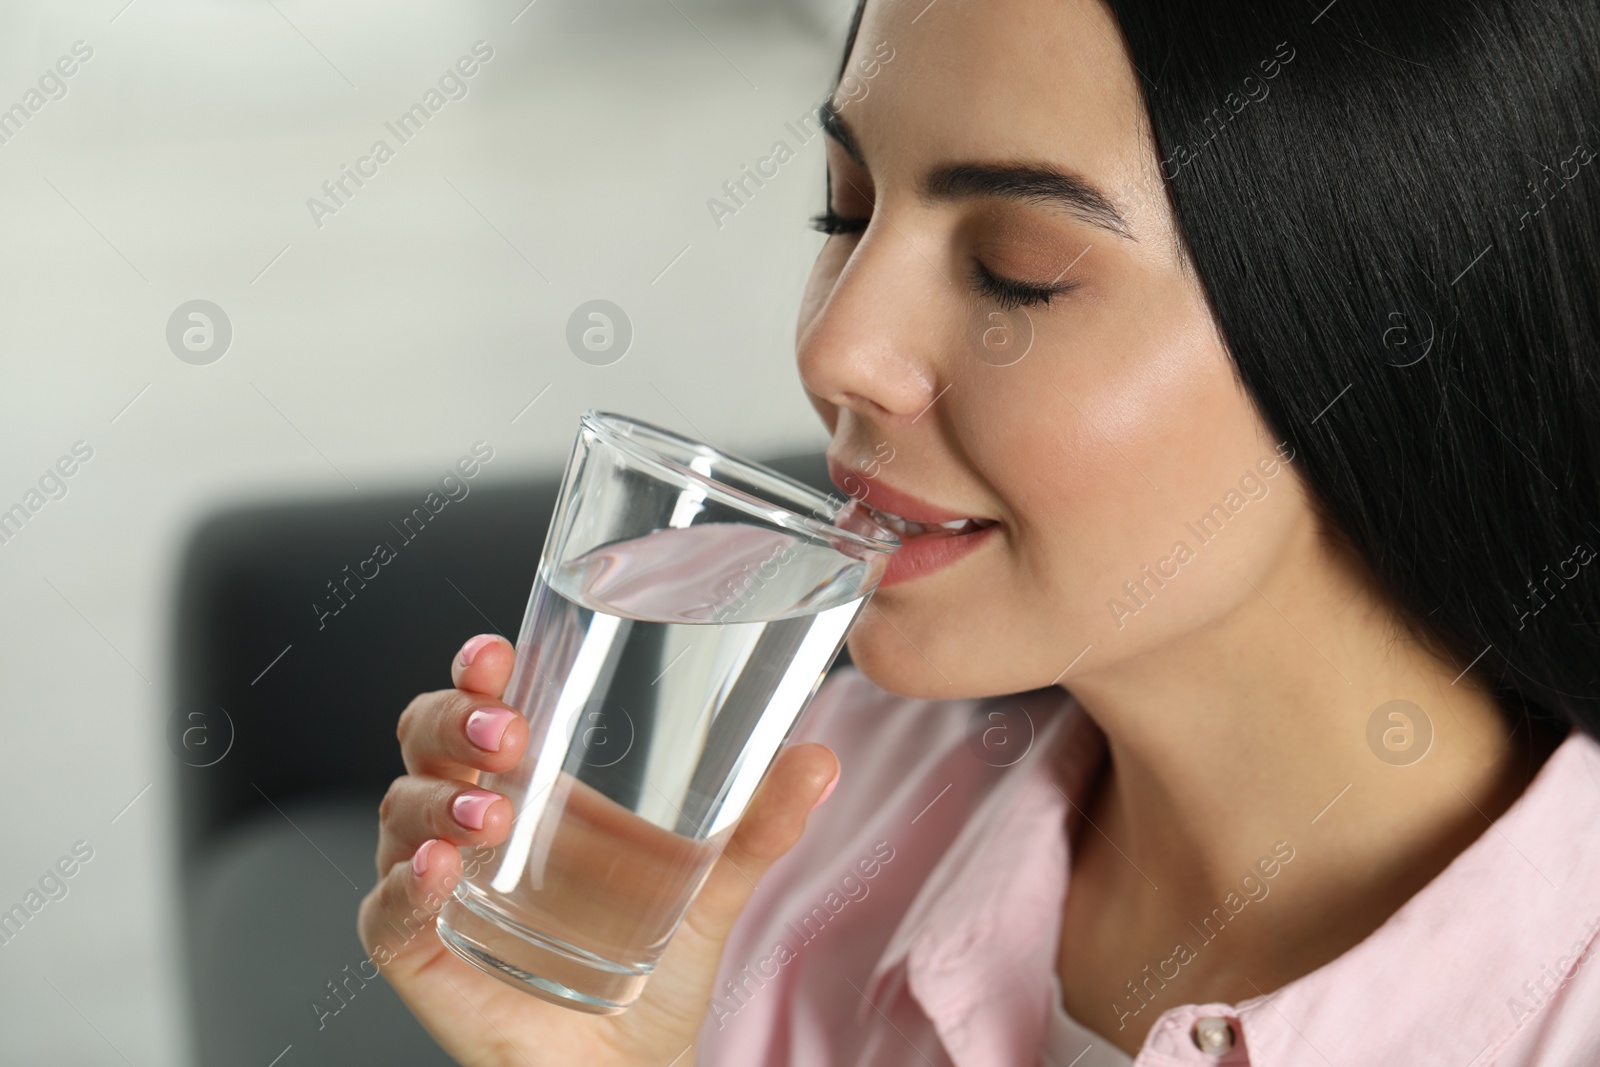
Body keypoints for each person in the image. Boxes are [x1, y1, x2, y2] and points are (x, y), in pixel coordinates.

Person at [358, 0, 1600, 1062]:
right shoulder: (787, 834)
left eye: (1015, 269)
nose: (835, 348)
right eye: (842, 213)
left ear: (1380, 329)